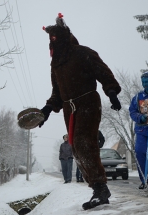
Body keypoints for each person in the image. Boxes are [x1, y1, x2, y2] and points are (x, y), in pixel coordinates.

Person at [39, 13, 122, 210]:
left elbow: (103, 71)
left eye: (54, 40)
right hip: (70, 108)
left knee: (84, 142)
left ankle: (101, 189)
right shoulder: (56, 66)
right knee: (75, 146)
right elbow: (57, 92)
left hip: (87, 102)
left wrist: (111, 91)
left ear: (61, 39)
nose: (51, 45)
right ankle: (97, 188)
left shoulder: (82, 53)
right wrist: (48, 109)